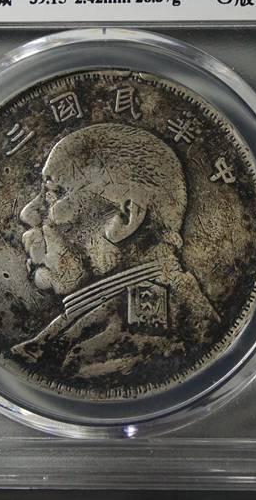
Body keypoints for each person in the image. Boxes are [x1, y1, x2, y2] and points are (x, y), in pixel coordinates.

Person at [12, 122, 219, 384]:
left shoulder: (130, 344)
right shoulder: (95, 322)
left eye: (54, 193)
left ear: (125, 218)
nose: (27, 213)